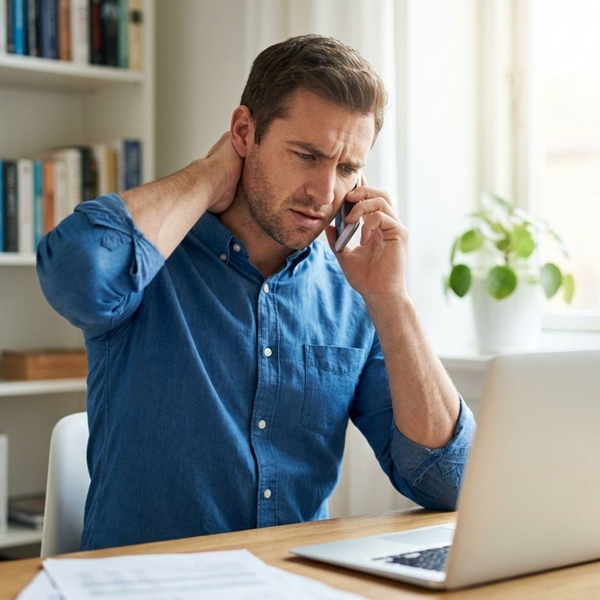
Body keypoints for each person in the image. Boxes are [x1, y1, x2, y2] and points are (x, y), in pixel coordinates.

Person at [37, 34, 476, 551]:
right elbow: (74, 274)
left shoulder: (353, 292)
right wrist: (209, 174)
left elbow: (449, 481)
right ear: (245, 131)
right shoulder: (150, 260)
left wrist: (392, 300)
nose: (325, 192)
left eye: (347, 168)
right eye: (306, 155)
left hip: (292, 583)